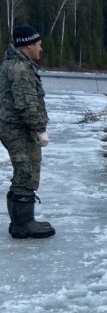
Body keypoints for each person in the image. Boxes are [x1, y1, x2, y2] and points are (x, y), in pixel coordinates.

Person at [0, 25, 55, 239]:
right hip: (18, 129)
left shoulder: (12, 64)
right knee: (26, 171)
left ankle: (19, 223)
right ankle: (23, 224)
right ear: (29, 45)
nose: (41, 48)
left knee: (23, 171)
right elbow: (27, 104)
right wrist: (39, 128)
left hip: (11, 126)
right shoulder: (20, 69)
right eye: (39, 44)